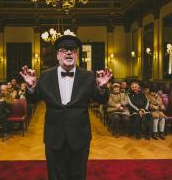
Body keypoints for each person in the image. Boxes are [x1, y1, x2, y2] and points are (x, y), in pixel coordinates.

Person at [20, 34, 112, 180]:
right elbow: (33, 99)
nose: (69, 52)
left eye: (73, 50)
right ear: (58, 55)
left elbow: (101, 99)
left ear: (76, 55)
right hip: (54, 136)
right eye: (64, 50)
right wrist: (31, 86)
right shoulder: (45, 76)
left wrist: (102, 87)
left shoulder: (88, 76)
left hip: (79, 136)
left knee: (78, 175)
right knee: (55, 175)